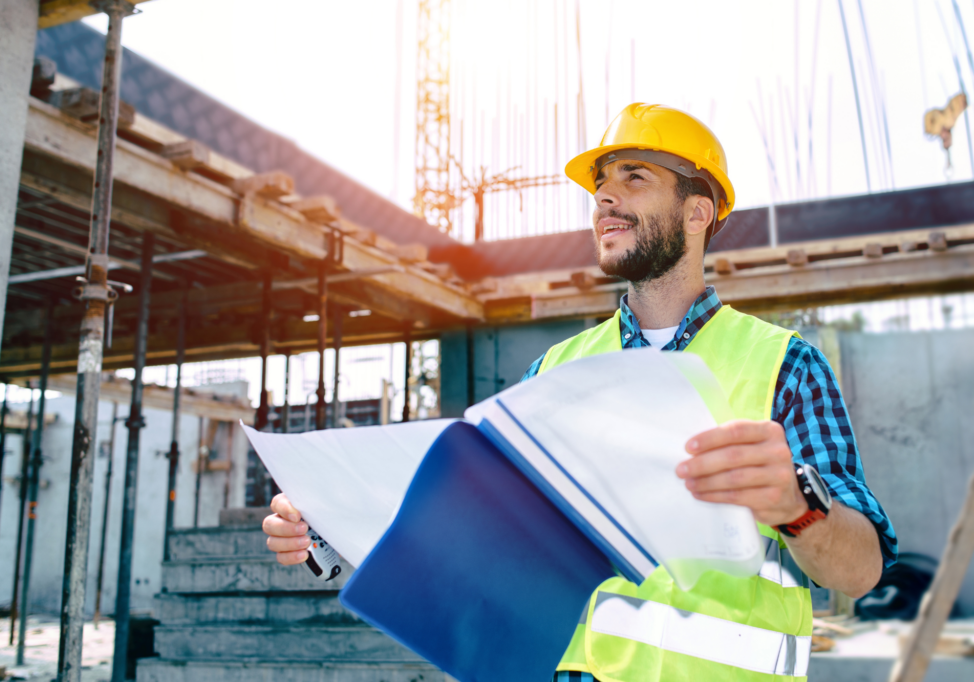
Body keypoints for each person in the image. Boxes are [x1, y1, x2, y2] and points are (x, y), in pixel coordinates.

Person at [263, 103, 897, 681]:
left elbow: (859, 570)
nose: (604, 200)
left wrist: (795, 503)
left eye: (633, 179)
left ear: (698, 211)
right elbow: (489, 543)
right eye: (600, 186)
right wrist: (333, 522)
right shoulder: (555, 374)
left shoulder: (785, 366)